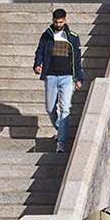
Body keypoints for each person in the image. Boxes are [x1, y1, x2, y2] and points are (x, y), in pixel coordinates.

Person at [34, 8, 82, 143]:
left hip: (67, 76)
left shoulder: (72, 37)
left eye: (61, 22)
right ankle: (61, 128)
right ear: (52, 21)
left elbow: (77, 59)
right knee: (50, 108)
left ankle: (61, 142)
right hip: (50, 75)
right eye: (56, 22)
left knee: (65, 108)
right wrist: (37, 64)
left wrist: (79, 78)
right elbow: (40, 51)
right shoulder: (47, 35)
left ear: (65, 20)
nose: (58, 24)